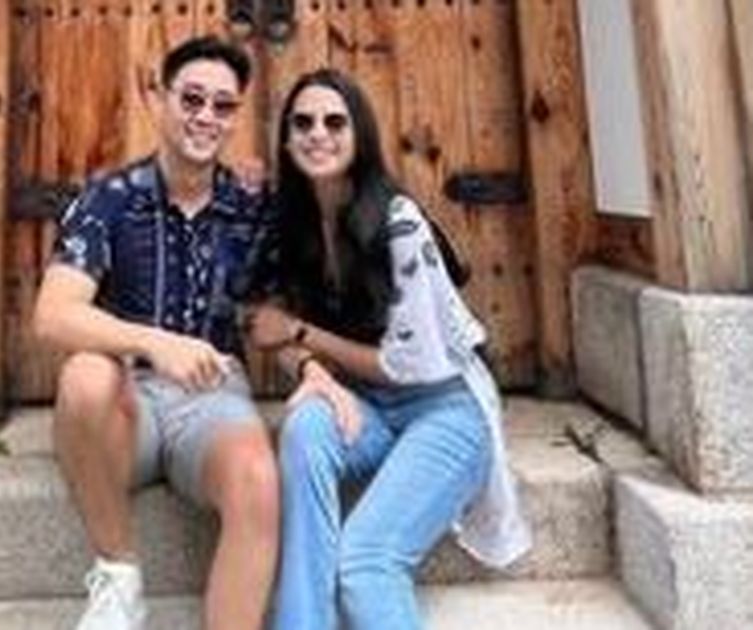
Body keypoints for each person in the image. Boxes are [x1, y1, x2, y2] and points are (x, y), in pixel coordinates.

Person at [247, 68, 532, 630]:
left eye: (335, 122)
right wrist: (311, 370)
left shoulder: (398, 221)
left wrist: (302, 335)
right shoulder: (289, 223)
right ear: (286, 139)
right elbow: (264, 326)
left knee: (366, 561)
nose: (317, 133)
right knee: (304, 428)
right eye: (303, 123)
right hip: (365, 407)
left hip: (444, 410)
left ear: (361, 135)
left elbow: (404, 368)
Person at [33, 36, 279, 630]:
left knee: (258, 479)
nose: (206, 116)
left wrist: (318, 367)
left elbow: (272, 311)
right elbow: (53, 314)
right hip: (128, 407)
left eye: (223, 106)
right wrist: (155, 343)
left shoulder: (252, 204)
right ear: (159, 99)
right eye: (191, 98)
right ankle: (119, 574)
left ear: (235, 117)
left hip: (213, 398)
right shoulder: (110, 198)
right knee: (85, 375)